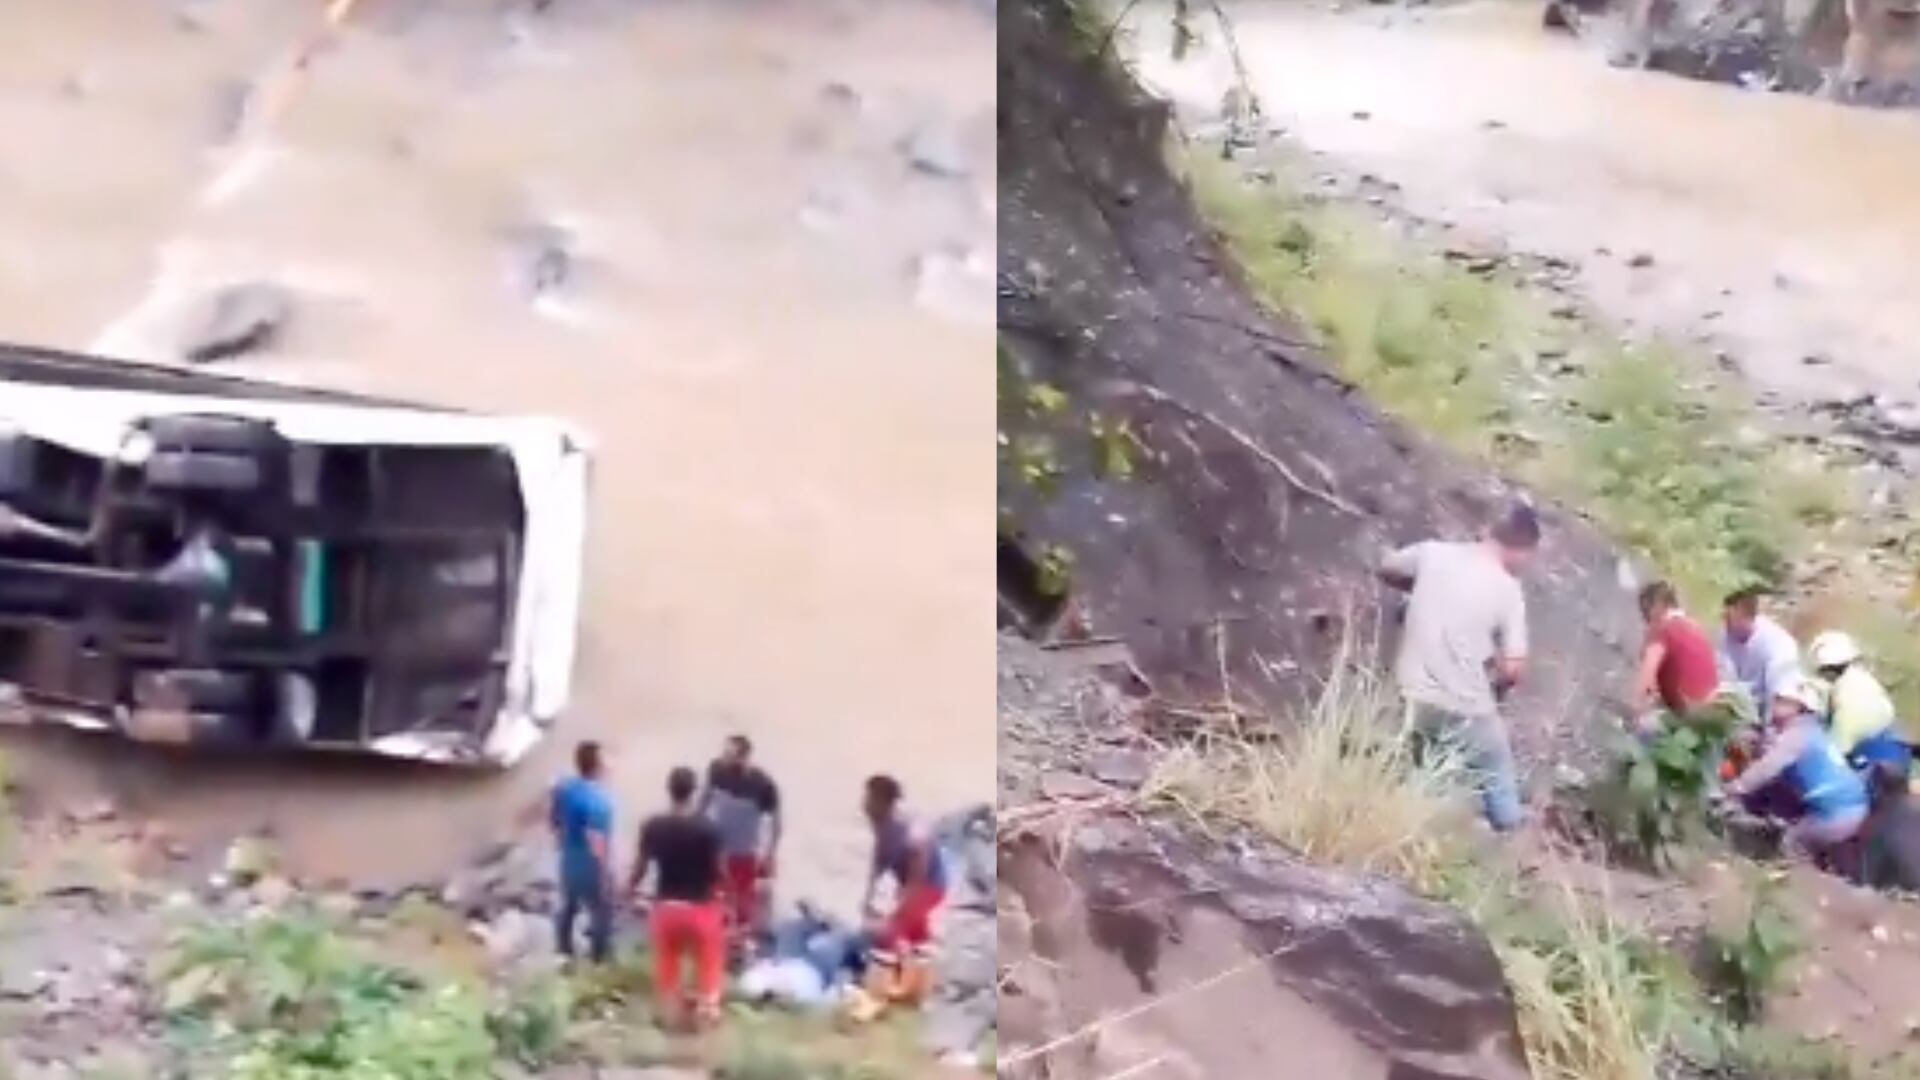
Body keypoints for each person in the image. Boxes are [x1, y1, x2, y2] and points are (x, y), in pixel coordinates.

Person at [1377, 502, 1539, 832]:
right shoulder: (1508, 590)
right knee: (1495, 759)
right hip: (1463, 708)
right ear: (1520, 549)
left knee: (1424, 762)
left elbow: (1386, 567)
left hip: (1411, 693)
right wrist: (1499, 686)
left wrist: (1420, 592)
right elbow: (1513, 669)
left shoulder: (1431, 553)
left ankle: (1412, 822)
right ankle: (1509, 831)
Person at [1722, 675, 1870, 863]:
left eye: (1783, 701)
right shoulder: (1811, 730)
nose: (1776, 704)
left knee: (1790, 844)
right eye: (1777, 699)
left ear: (1799, 708)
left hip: (1837, 814)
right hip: (1850, 804)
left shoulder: (1797, 737)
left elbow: (1767, 769)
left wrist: (1735, 788)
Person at [627, 766, 725, 1028]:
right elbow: (719, 871)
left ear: (669, 791)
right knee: (709, 957)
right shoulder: (709, 830)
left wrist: (628, 890)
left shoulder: (653, 826)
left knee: (668, 960)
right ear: (694, 793)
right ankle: (706, 1007)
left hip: (666, 909)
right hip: (700, 909)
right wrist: (728, 897)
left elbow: (640, 867)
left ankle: (670, 1011)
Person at [696, 734, 782, 939]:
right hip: (717, 851)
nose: (725, 758)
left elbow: (777, 823)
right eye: (724, 753)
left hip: (745, 853)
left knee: (744, 906)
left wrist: (770, 853)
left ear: (744, 757)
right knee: (714, 900)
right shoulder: (716, 770)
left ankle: (740, 943)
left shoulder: (763, 785)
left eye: (730, 755)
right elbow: (703, 803)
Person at [1632, 581, 1740, 737]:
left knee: (1645, 728)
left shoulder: (1664, 628)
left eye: (1646, 612)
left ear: (1658, 606)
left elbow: (1647, 675)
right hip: (1714, 708)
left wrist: (1636, 710)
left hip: (1692, 713)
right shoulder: (1694, 626)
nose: (1645, 620)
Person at [860, 774, 947, 952]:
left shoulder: (909, 833)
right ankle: (922, 948)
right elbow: (877, 868)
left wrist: (897, 915)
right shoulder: (881, 827)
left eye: (869, 799)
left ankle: (902, 965)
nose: (864, 805)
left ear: (883, 803)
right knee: (909, 932)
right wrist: (868, 901)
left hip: (930, 887)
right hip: (909, 885)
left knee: (889, 935)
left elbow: (917, 880)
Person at [550, 740, 615, 963]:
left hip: (568, 859)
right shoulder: (599, 802)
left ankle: (563, 950)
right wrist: (605, 872)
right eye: (606, 759)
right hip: (590, 866)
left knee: (568, 904)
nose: (611, 763)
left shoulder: (565, 788)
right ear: (597, 767)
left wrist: (560, 842)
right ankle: (598, 958)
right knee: (602, 912)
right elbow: (596, 840)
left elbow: (555, 820)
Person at [1807, 630, 1904, 767]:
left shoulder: (1848, 708)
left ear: (1828, 670)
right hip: (1889, 733)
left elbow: (1835, 755)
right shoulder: (1863, 679)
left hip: (1868, 752)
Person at [1718, 586, 1801, 720]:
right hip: (1736, 717)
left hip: (1769, 719)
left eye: (1728, 617)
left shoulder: (1778, 644)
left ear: (1747, 615)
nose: (1724, 622)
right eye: (1723, 616)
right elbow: (1723, 679)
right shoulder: (1725, 637)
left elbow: (1786, 702)